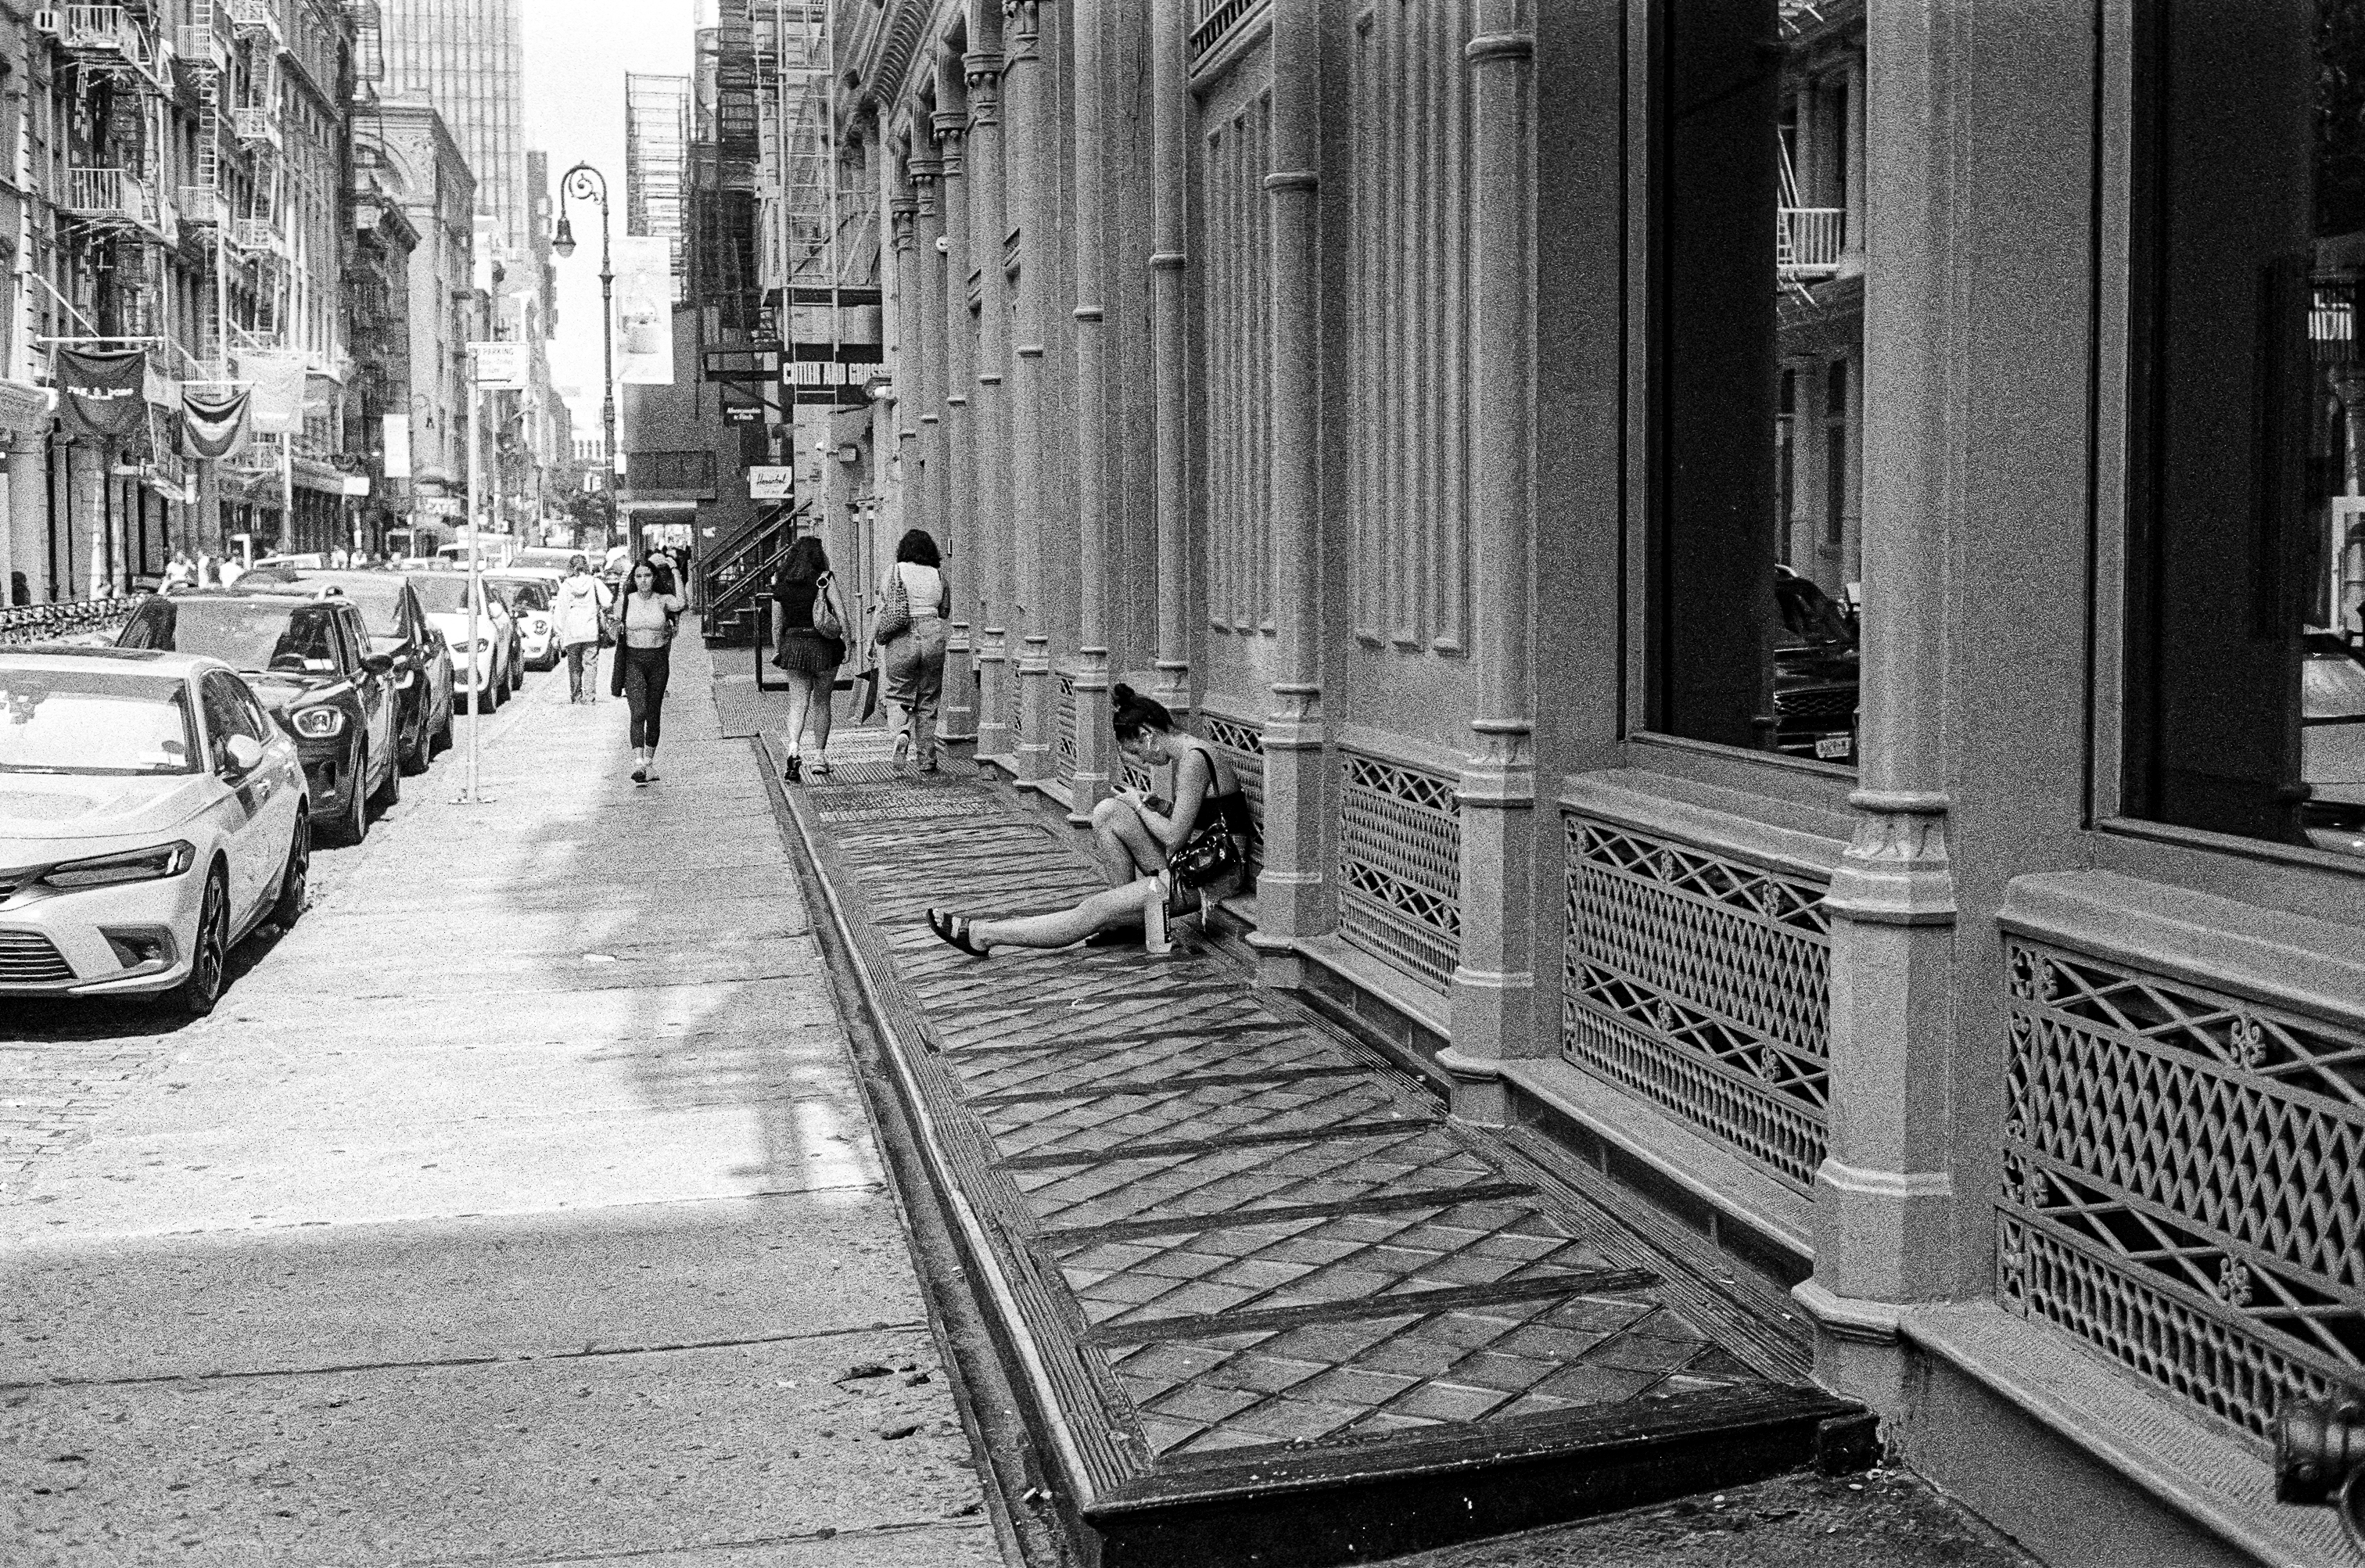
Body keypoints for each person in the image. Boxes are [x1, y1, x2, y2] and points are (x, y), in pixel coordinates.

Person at [926, 686, 1251, 956]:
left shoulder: (1194, 759)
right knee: (1108, 811)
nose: (1144, 762)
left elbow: (1172, 839)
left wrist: (1138, 805)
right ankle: (1125, 920)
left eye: (1137, 753)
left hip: (1209, 877)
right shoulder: (1191, 753)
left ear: (1147, 734)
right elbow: (1199, 819)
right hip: (1196, 862)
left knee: (1092, 910)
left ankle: (984, 934)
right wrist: (1158, 805)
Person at [771, 535, 847, 781]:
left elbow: (776, 623)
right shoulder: (824, 578)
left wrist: (778, 649)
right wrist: (851, 643)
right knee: (822, 702)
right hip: (824, 646)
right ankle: (819, 758)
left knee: (797, 703)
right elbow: (842, 614)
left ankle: (793, 750)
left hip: (794, 646)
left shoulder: (781, 583)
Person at [875, 529, 951, 771]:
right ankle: (927, 760)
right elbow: (945, 611)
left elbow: (882, 610)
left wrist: (871, 642)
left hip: (902, 636)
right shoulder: (939, 575)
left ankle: (902, 731)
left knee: (898, 694)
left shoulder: (894, 571)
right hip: (933, 636)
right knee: (929, 699)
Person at [610, 554, 685, 783]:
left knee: (653, 713)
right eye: (639, 576)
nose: (644, 580)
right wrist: (615, 626)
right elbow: (613, 627)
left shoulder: (663, 600)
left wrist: (674, 570)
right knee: (638, 711)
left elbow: (681, 603)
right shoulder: (626, 600)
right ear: (634, 578)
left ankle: (649, 763)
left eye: (648, 576)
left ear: (654, 578)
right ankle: (638, 763)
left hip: (658, 660)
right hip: (633, 659)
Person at [552, 553, 612, 703]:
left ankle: (576, 697)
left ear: (571, 568)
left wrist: (559, 633)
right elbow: (608, 601)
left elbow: (561, 610)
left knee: (574, 666)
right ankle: (590, 697)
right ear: (586, 566)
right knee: (590, 664)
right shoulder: (594, 582)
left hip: (572, 632)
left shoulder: (566, 586)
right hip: (590, 631)